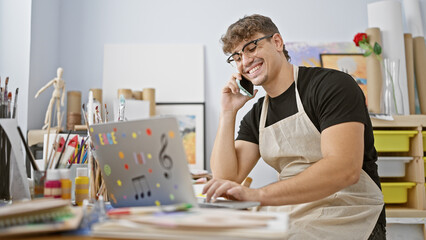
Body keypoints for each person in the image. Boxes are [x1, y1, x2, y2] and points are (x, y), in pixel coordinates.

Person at [202, 14, 385, 239]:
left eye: (251, 47)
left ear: (277, 42)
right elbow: (227, 179)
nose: (245, 60)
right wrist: (227, 112)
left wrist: (257, 195)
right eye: (237, 56)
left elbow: (344, 169)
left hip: (349, 212)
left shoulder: (331, 86)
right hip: (292, 210)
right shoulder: (258, 114)